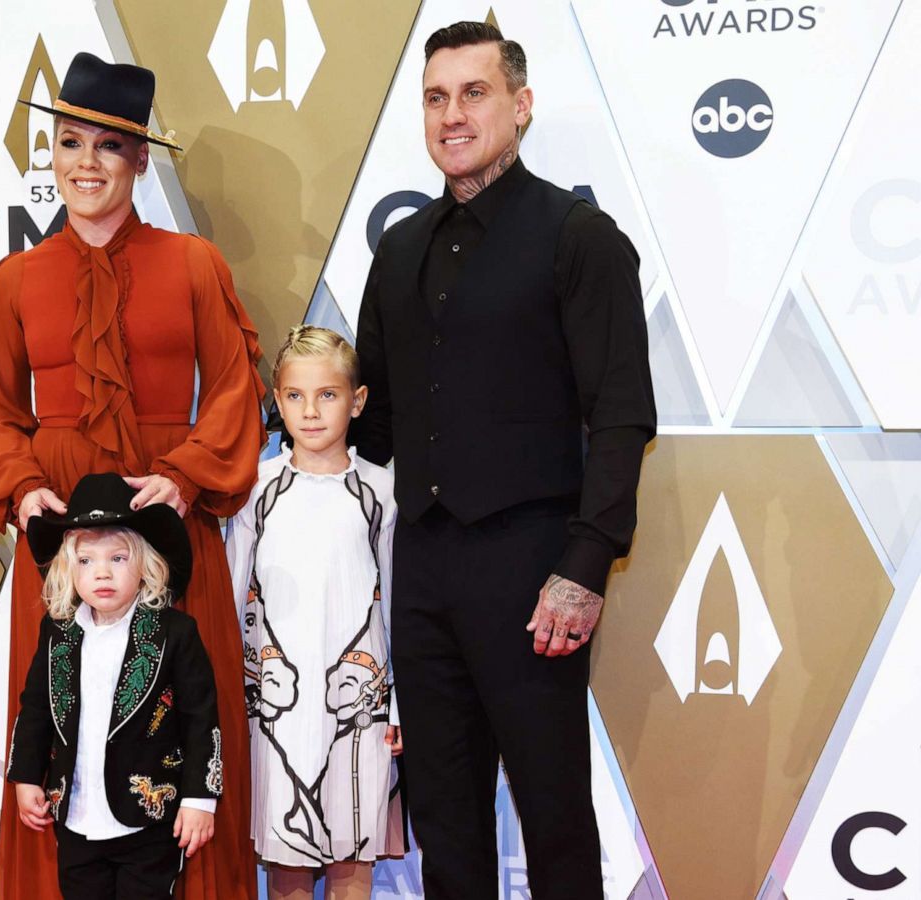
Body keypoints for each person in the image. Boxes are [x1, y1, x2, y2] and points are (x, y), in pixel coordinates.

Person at [351, 21, 656, 899]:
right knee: (446, 823)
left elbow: (623, 413)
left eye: (474, 93)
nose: (453, 114)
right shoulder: (400, 249)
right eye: (437, 97)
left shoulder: (577, 235)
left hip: (534, 570)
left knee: (554, 815)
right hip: (425, 570)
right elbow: (377, 418)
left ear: (520, 107)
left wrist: (586, 565)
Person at [0, 51, 264, 900]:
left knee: (184, 708)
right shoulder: (13, 281)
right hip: (61, 542)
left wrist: (188, 475)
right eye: (67, 142)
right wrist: (22, 487)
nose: (84, 163)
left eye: (107, 146)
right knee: (59, 719)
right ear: (49, 154)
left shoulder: (196, 264)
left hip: (170, 522)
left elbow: (237, 387)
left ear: (139, 161)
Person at [226, 326, 404, 900]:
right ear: (276, 400)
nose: (310, 411)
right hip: (276, 712)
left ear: (357, 401)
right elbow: (232, 594)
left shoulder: (382, 492)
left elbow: (398, 602)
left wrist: (399, 699)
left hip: (361, 712)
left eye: (327, 395)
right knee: (286, 867)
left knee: (354, 862)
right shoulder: (256, 487)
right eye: (295, 396)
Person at [9, 473, 222, 900]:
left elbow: (201, 720)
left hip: (148, 822)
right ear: (69, 569)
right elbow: (35, 709)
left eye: (118, 559)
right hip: (76, 820)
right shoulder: (58, 631)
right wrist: (26, 776)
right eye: (86, 561)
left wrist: (200, 799)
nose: (102, 573)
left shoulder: (173, 632)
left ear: (145, 564)